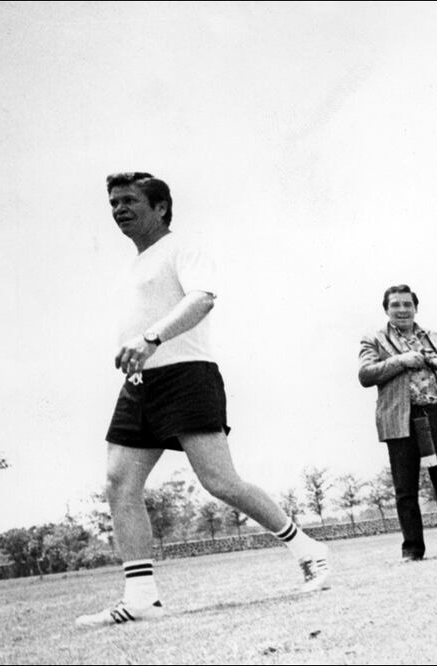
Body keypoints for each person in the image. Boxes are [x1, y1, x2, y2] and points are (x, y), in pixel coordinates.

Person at [76, 173, 331, 628]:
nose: (119, 209)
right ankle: (140, 597)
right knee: (119, 483)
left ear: (161, 207)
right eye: (113, 203)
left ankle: (308, 549)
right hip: (140, 383)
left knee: (220, 482)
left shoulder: (182, 247)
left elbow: (202, 299)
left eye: (130, 200)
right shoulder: (133, 265)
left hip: (186, 376)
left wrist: (151, 338)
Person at [359, 285, 437, 561]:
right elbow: (365, 375)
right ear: (386, 309)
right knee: (405, 489)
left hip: (436, 416)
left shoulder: (434, 337)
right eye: (395, 305)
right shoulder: (374, 339)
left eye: (407, 304)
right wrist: (402, 361)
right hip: (400, 420)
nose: (402, 309)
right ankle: (412, 550)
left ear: (416, 307)